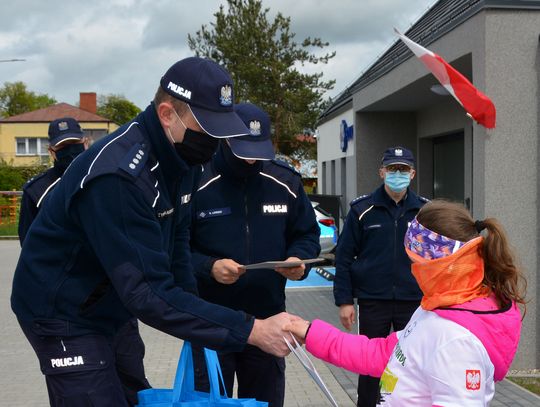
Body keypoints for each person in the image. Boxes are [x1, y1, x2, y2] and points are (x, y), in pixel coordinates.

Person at [11, 57, 298, 407]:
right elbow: (148, 293)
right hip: (61, 312)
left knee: (134, 396)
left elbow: (177, 249)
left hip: (111, 302)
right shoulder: (118, 177)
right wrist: (250, 329)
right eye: (208, 128)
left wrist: (200, 321)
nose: (215, 141)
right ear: (167, 114)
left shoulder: (183, 160)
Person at [286, 199, 526, 406]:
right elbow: (384, 353)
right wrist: (309, 332)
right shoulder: (438, 308)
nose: (413, 271)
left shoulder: (457, 339)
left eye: (417, 263)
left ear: (442, 265)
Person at [189, 102, 321, 406]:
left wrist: (297, 260)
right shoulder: (196, 181)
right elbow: (175, 248)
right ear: (225, 139)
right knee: (208, 402)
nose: (250, 160)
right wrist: (209, 266)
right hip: (211, 321)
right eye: (243, 150)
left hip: (269, 318)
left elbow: (307, 235)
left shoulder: (285, 181)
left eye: (258, 150)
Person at [333, 146, 427, 407]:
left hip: (414, 301)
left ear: (412, 173)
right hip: (373, 301)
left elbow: (436, 258)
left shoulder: (425, 212)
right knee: (370, 362)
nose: (397, 174)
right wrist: (344, 301)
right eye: (392, 169)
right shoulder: (362, 210)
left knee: (411, 362)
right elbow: (343, 257)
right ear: (382, 172)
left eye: (403, 169)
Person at [18, 117, 89, 244]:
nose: (70, 150)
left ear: (86, 143)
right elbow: (28, 244)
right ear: (52, 151)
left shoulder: (102, 178)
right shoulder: (36, 191)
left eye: (74, 143)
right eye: (62, 146)